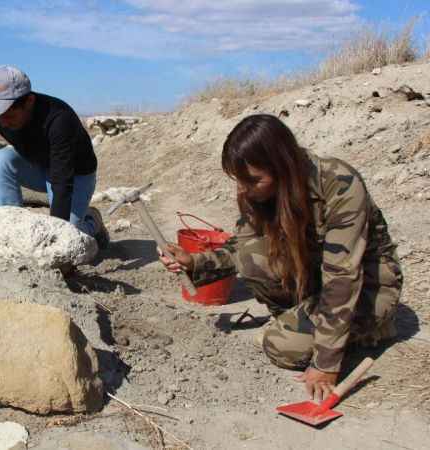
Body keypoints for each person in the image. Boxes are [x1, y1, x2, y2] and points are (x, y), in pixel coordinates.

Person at [160, 114, 402, 401]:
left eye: (253, 180)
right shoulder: (261, 192)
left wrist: (325, 363)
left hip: (368, 286)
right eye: (238, 180)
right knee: (253, 258)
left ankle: (372, 328)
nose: (243, 190)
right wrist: (194, 262)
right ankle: (301, 321)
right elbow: (242, 248)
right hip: (316, 278)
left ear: (283, 166)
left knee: (281, 347)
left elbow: (343, 276)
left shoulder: (339, 184)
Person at [0, 65, 109, 249]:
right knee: (1, 160)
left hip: (75, 175)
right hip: (37, 167)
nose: (2, 122)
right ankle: (10, 227)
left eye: (9, 115)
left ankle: (92, 222)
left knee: (69, 236)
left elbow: (62, 182)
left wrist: (55, 239)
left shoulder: (59, 119)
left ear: (29, 101)